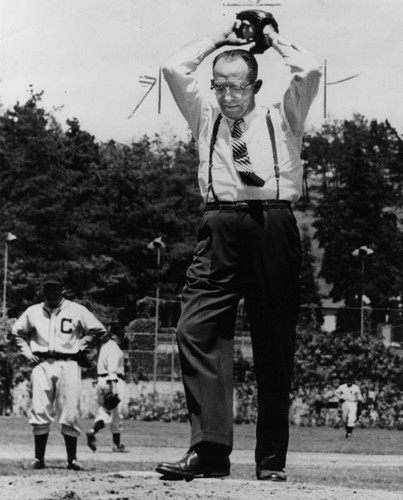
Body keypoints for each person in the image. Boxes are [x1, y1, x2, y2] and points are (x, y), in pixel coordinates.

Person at [155, 13, 321, 482]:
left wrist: (270, 38)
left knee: (273, 343)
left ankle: (270, 461)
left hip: (272, 224)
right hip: (219, 224)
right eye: (221, 86)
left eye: (238, 86)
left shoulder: (282, 115)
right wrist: (220, 39)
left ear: (255, 85)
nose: (228, 95)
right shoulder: (204, 115)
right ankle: (209, 451)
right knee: (194, 329)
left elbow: (308, 70)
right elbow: (172, 68)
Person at [12, 273, 106, 470]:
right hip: (42, 363)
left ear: (62, 289)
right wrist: (27, 352)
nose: (51, 291)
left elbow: (98, 329)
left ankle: (71, 460)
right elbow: (17, 332)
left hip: (69, 362)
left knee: (70, 411)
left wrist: (81, 345)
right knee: (39, 409)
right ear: (43, 290)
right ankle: (39, 459)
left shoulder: (76, 309)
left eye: (55, 287)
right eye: (47, 287)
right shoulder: (34, 311)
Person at [86, 323, 128, 453]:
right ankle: (116, 445)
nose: (122, 337)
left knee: (104, 411)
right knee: (117, 413)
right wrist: (114, 388)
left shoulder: (104, 347)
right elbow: (112, 369)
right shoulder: (114, 349)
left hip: (102, 380)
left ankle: (92, 431)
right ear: (114, 335)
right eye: (120, 335)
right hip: (112, 382)